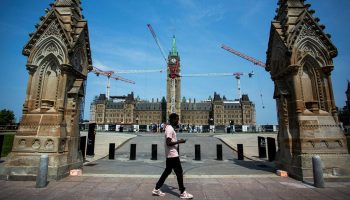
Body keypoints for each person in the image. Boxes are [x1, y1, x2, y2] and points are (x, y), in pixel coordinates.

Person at [152, 113, 193, 199]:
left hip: (170, 154)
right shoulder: (170, 129)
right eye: (177, 119)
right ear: (173, 119)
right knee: (179, 172)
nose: (178, 121)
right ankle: (182, 192)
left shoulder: (168, 128)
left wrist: (178, 141)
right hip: (173, 154)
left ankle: (156, 189)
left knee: (167, 171)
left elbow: (170, 140)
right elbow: (168, 142)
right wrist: (179, 142)